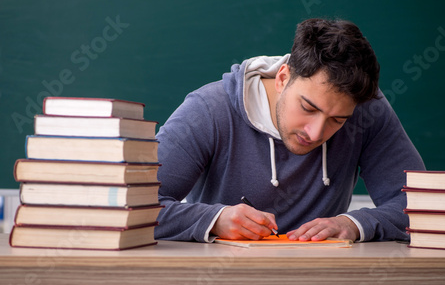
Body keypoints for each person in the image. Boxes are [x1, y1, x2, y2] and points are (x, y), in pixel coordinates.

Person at [154, 18, 425, 243]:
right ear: (283, 78)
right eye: (308, 108)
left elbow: (422, 207)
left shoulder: (365, 109)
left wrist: (355, 224)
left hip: (319, 276)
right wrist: (213, 220)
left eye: (338, 120)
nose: (316, 133)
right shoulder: (208, 111)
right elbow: (126, 207)